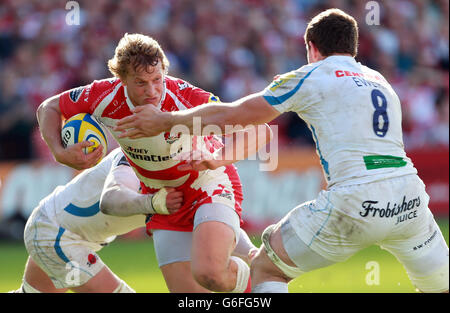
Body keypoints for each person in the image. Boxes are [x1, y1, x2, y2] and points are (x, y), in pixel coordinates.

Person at [113, 9, 449, 293]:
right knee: (440, 284)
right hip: (410, 199)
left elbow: (234, 115)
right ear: (354, 47)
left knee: (266, 270)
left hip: (356, 200)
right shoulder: (379, 79)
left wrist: (165, 121)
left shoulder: (310, 74)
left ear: (311, 47)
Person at [36, 33, 267, 293]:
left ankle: (264, 276)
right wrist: (59, 152)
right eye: (141, 83)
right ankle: (259, 267)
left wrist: (217, 159)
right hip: (164, 200)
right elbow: (48, 107)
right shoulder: (103, 96)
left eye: (157, 79)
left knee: (210, 273)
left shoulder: (185, 96)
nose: (152, 90)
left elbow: (257, 131)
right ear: (121, 79)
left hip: (208, 185)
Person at [11, 148, 182, 293]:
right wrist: (153, 204)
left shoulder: (189, 167)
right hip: (56, 233)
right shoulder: (134, 154)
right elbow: (111, 199)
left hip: (61, 229)